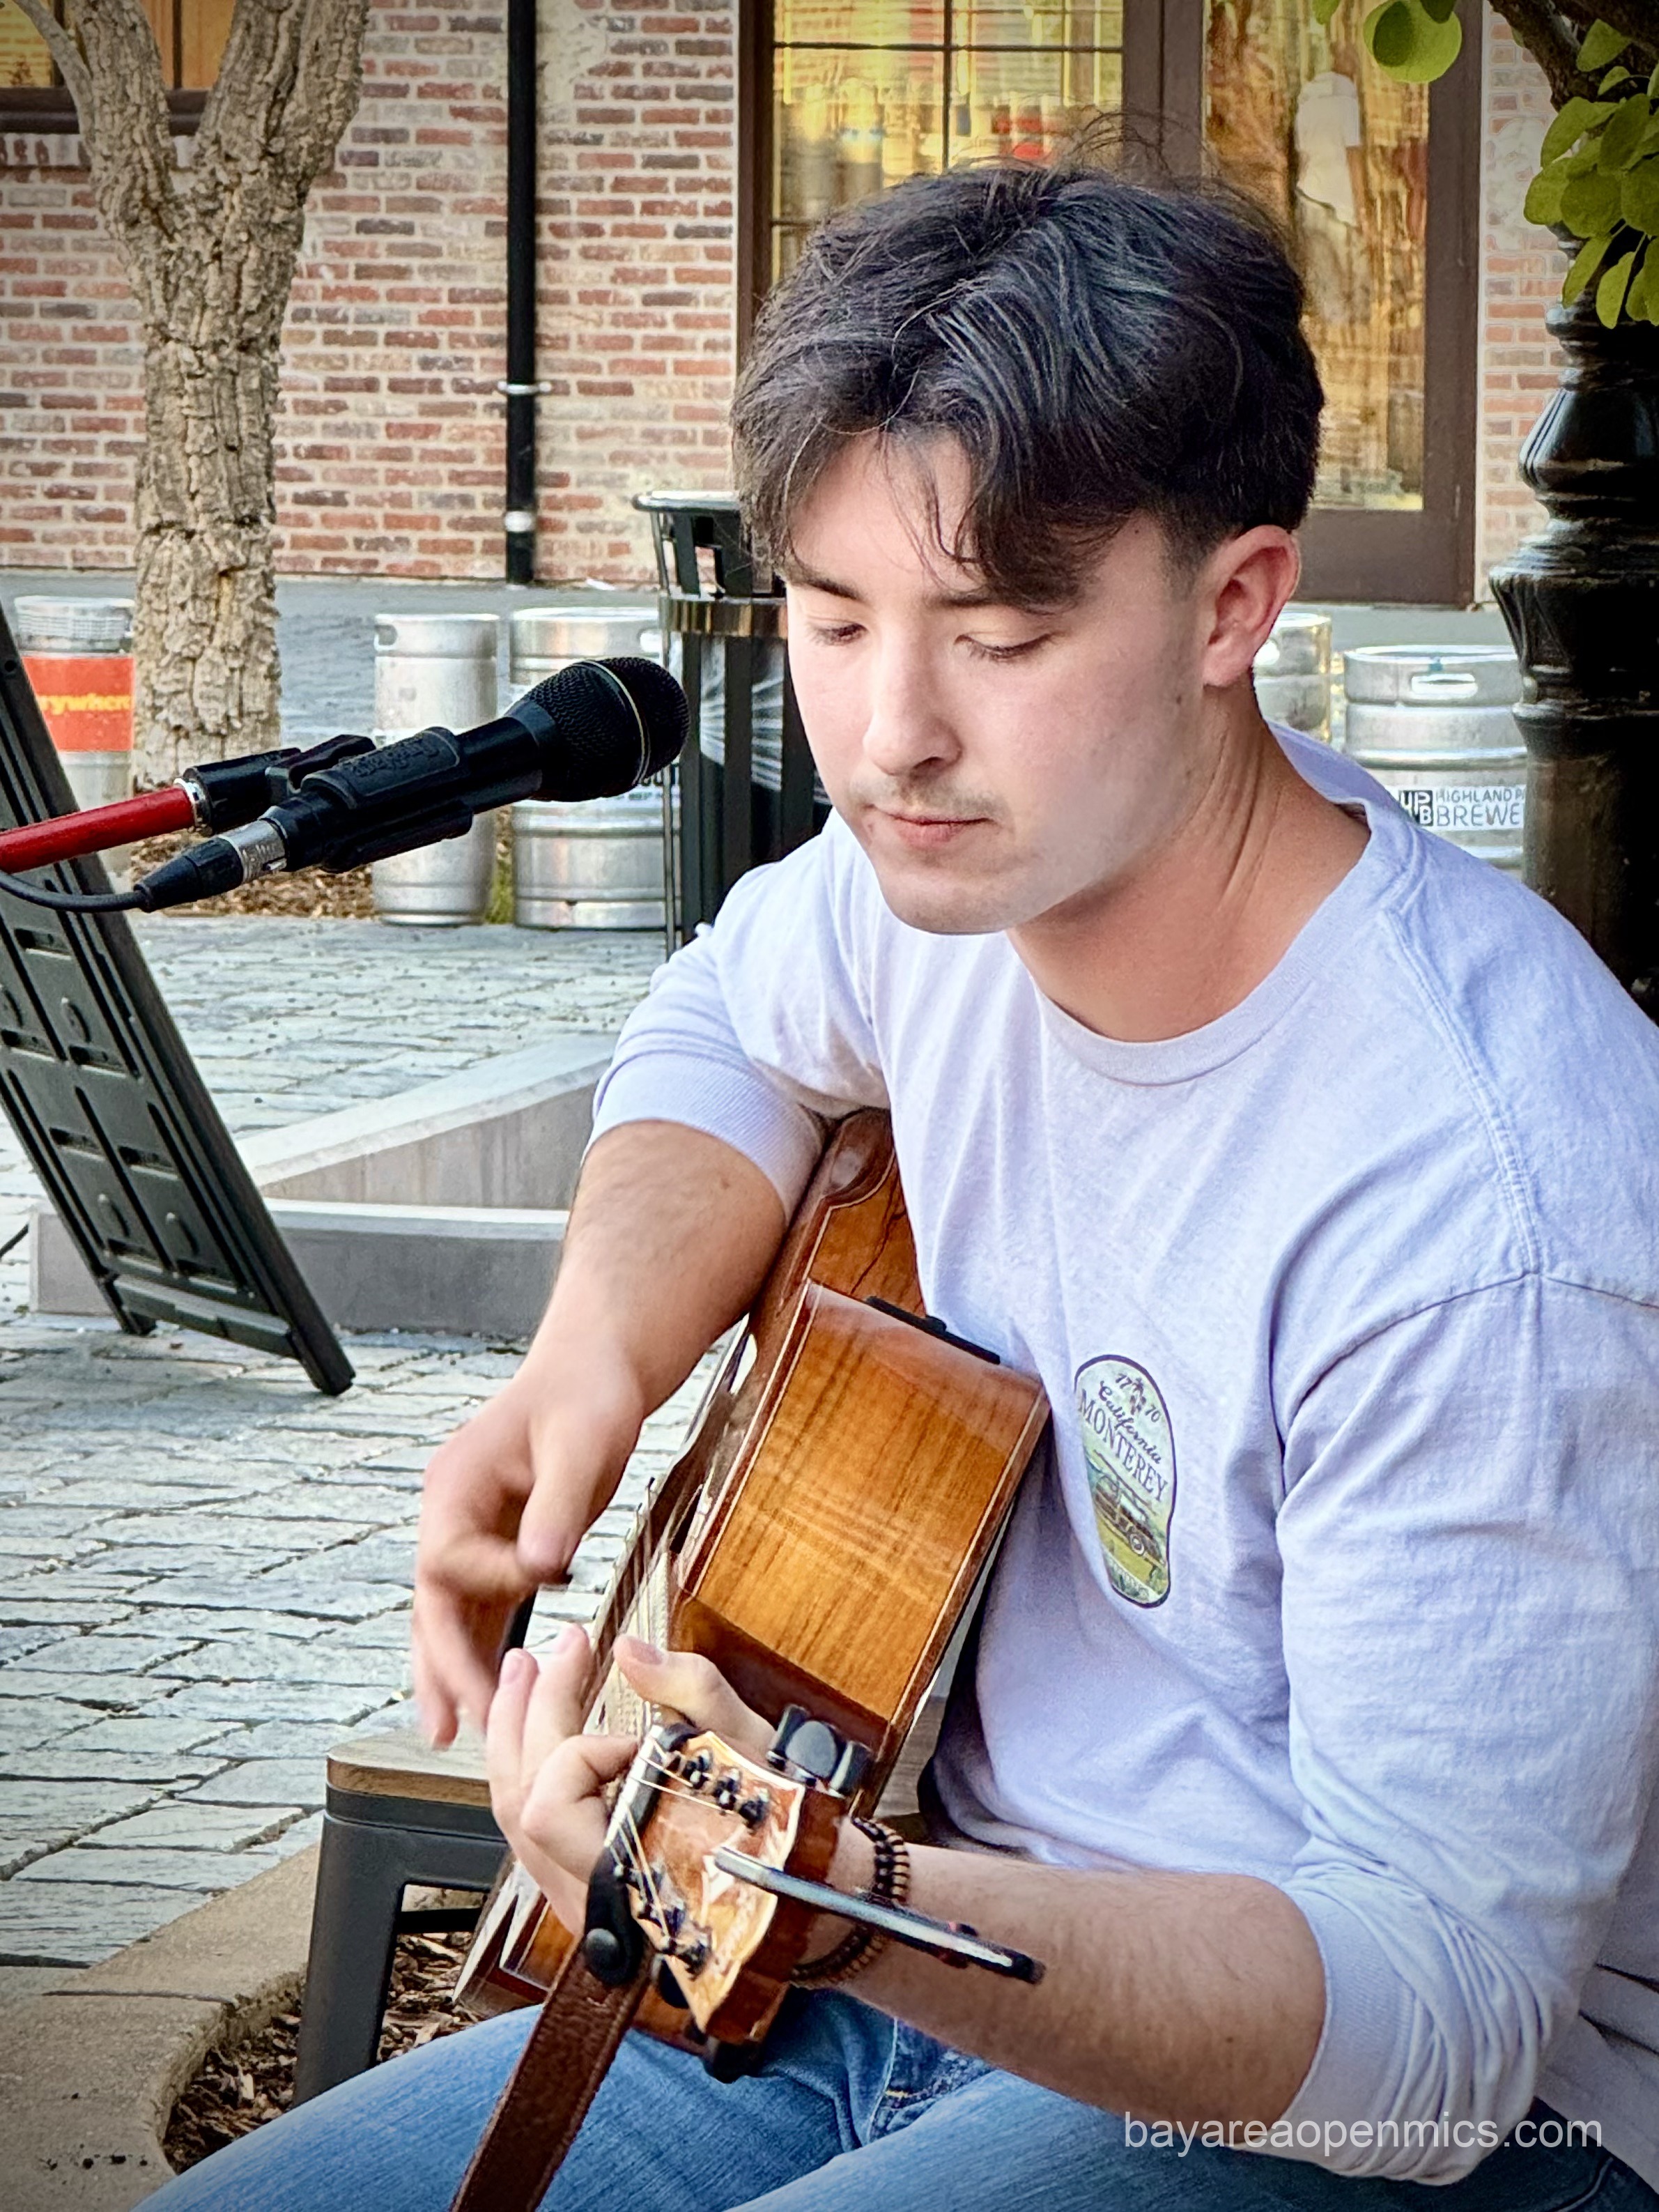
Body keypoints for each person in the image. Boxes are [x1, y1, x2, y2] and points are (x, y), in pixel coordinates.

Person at [150, 162, 1659, 2212]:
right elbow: (727, 1022)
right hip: (902, 1951)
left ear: (1236, 607)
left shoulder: (1489, 1206)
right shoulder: (955, 877)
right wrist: (592, 1359)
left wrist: (819, 1895)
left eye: (1002, 635)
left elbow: (1432, 2026)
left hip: (1390, 2103)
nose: (889, 738)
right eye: (836, 619)